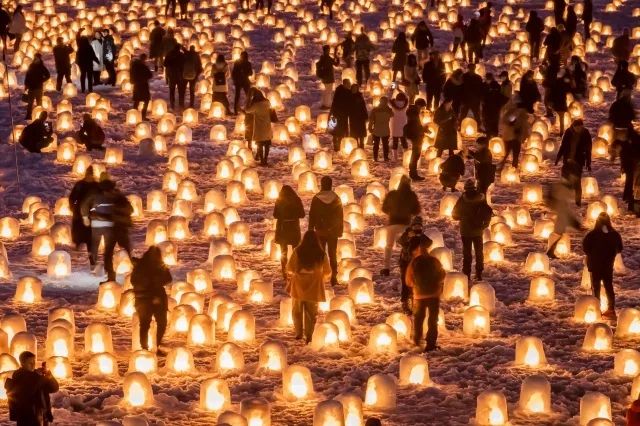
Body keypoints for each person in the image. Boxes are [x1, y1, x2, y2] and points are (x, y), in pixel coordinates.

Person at [82, 174, 133, 281]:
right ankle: (111, 277)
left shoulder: (119, 199)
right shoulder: (109, 199)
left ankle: (138, 272)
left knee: (127, 253)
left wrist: (100, 215)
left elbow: (124, 212)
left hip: (120, 229)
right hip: (112, 230)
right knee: (108, 255)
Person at [286, 231, 331, 343]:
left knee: (296, 310)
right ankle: (309, 335)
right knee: (311, 312)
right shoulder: (321, 254)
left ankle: (298, 333)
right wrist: (320, 276)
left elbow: (290, 267)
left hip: (298, 286)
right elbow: (327, 271)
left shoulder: (298, 251)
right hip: (314, 287)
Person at [406, 235, 445, 352]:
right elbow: (442, 275)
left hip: (419, 296)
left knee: (418, 319)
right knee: (433, 320)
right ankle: (431, 343)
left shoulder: (414, 262)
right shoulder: (435, 261)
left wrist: (416, 286)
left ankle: (417, 341)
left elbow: (408, 281)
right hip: (434, 295)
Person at [131, 246, 172, 353]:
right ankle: (145, 348)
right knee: (147, 323)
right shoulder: (141, 267)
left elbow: (168, 279)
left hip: (152, 298)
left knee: (158, 323)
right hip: (146, 299)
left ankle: (154, 346)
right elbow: (135, 281)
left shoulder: (158, 266)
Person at [583, 212, 622, 319]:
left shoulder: (592, 235)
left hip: (595, 265)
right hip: (608, 265)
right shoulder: (614, 234)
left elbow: (585, 248)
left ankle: (597, 309)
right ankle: (611, 309)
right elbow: (620, 248)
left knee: (596, 287)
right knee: (609, 286)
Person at [452, 179, 492, 281]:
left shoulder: (462, 199)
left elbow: (454, 215)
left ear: (465, 188)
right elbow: (487, 211)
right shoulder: (481, 198)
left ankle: (467, 274)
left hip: (466, 231)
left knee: (467, 253)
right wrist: (484, 224)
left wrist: (462, 217)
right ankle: (479, 273)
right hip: (478, 230)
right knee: (479, 252)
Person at [381, 175, 421, 276]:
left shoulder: (392, 194)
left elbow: (384, 208)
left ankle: (386, 268)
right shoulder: (412, 196)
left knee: (388, 246)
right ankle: (409, 268)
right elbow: (417, 210)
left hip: (392, 224)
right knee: (407, 247)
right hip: (406, 225)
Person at [5, 351, 59, 426]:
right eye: (30, 363)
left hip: (41, 415)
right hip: (26, 418)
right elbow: (30, 390)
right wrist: (40, 377)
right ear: (22, 364)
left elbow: (54, 388)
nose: (33, 365)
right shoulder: (19, 376)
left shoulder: (36, 376)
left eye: (34, 362)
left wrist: (49, 376)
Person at [308, 176, 343, 286]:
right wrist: (339, 230)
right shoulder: (336, 198)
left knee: (320, 254)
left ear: (322, 184)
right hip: (332, 232)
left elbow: (312, 214)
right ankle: (334, 276)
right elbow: (340, 216)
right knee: (332, 254)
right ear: (331, 185)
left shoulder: (316, 198)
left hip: (320, 231)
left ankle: (320, 275)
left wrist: (310, 229)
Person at [546, 172, 582, 259]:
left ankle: (551, 251)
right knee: (559, 232)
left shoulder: (564, 188)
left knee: (560, 232)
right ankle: (550, 251)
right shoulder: (562, 189)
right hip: (561, 212)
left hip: (562, 212)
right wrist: (575, 224)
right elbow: (562, 208)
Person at [555, 119, 592, 205]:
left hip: (578, 161)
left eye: (581, 127)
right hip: (567, 160)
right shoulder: (568, 132)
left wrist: (588, 162)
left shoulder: (585, 134)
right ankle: (563, 199)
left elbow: (588, 149)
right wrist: (558, 157)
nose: (579, 129)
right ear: (573, 127)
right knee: (565, 180)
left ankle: (578, 201)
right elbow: (563, 145)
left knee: (577, 182)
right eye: (577, 127)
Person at [273, 185, 305, 277]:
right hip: (294, 228)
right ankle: (296, 269)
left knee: (283, 251)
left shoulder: (280, 201)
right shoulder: (296, 200)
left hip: (283, 229)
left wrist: (284, 216)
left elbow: (275, 215)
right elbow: (302, 214)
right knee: (295, 250)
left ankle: (284, 270)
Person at [69, 166, 99, 261]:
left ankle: (92, 260)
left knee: (91, 239)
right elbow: (72, 198)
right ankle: (76, 253)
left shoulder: (96, 186)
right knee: (79, 236)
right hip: (79, 215)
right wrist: (73, 207)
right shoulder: (80, 185)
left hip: (91, 216)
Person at [397, 216, 424, 313]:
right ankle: (405, 302)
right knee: (405, 283)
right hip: (405, 262)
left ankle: (414, 302)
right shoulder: (407, 234)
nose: (417, 228)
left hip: (416, 263)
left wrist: (420, 237)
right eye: (415, 226)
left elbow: (429, 242)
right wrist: (408, 236)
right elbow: (400, 241)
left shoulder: (421, 235)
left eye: (419, 226)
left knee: (415, 283)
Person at [611, 127, 640, 211]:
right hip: (628, 163)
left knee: (634, 180)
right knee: (630, 180)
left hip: (635, 161)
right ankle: (630, 198)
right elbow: (615, 146)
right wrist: (613, 155)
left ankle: (631, 198)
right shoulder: (622, 141)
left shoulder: (634, 138)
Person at [499, 97, 530, 168]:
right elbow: (507, 122)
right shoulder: (515, 113)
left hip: (513, 137)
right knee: (512, 153)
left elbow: (524, 125)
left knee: (511, 153)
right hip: (512, 136)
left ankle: (511, 166)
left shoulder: (513, 112)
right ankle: (511, 166)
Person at [245, 89, 273, 166]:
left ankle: (262, 160)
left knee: (260, 144)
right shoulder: (267, 102)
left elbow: (247, 110)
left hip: (259, 127)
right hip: (267, 126)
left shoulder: (256, 105)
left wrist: (248, 100)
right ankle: (266, 159)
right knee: (267, 144)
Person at [23, 54, 50, 120]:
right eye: (35, 58)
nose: (36, 59)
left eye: (37, 58)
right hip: (31, 88)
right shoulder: (31, 66)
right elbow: (27, 76)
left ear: (40, 59)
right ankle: (28, 115)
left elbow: (48, 75)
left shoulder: (42, 67)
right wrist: (26, 84)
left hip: (38, 88)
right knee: (30, 103)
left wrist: (41, 80)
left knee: (39, 103)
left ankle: (39, 116)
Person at [328, 79, 352, 151]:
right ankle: (336, 145)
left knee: (341, 131)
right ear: (344, 84)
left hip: (343, 114)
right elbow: (335, 103)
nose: (349, 85)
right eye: (348, 84)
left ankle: (339, 144)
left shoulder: (346, 91)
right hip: (338, 114)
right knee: (337, 131)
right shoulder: (340, 91)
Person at [404, 105, 426, 181]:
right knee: (415, 156)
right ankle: (413, 173)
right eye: (421, 107)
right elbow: (416, 128)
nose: (422, 109)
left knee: (416, 156)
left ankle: (413, 172)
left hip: (417, 138)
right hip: (417, 138)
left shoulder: (413, 116)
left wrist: (424, 129)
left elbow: (418, 127)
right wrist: (422, 130)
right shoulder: (414, 116)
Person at [369, 96, 393, 161]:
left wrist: (370, 127)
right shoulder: (388, 110)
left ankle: (376, 157)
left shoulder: (375, 110)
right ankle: (385, 157)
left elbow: (371, 120)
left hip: (377, 129)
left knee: (376, 145)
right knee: (385, 145)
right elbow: (392, 115)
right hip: (385, 129)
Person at [459, 63, 484, 128]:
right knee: (463, 114)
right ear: (468, 68)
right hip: (466, 99)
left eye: (473, 68)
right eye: (471, 68)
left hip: (474, 100)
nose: (472, 69)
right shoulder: (464, 77)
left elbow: (481, 89)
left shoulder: (478, 78)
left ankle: (478, 126)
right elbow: (461, 88)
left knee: (476, 114)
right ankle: (460, 126)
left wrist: (480, 98)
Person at [549, 68, 572, 134]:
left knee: (559, 116)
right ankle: (561, 131)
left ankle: (561, 131)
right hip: (561, 102)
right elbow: (568, 90)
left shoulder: (555, 83)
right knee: (561, 117)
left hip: (557, 102)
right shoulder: (563, 83)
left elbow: (552, 93)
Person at [316, 45, 338, 110]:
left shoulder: (323, 58)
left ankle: (326, 104)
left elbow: (335, 64)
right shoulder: (327, 58)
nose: (329, 51)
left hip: (325, 77)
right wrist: (336, 58)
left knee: (327, 91)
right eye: (328, 50)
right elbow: (336, 64)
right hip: (328, 77)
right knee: (328, 92)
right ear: (326, 50)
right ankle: (326, 104)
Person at [130, 54, 152, 120]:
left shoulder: (134, 66)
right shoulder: (143, 66)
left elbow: (131, 76)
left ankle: (134, 115)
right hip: (143, 86)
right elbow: (150, 75)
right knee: (146, 100)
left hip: (137, 85)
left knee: (137, 100)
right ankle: (143, 115)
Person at [164, 44, 185, 110]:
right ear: (179, 49)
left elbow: (165, 64)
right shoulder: (181, 55)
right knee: (180, 90)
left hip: (171, 75)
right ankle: (181, 104)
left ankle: (172, 104)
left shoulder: (169, 54)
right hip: (179, 75)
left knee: (172, 90)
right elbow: (184, 64)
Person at [231, 51, 253, 115]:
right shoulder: (247, 63)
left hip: (241, 81)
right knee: (246, 96)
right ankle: (248, 109)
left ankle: (238, 110)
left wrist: (235, 79)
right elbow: (250, 73)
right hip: (243, 81)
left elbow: (233, 73)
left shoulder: (238, 63)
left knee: (240, 96)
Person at [390, 92, 409, 161]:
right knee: (404, 141)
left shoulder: (393, 104)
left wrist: (392, 90)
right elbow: (407, 97)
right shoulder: (405, 104)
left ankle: (395, 158)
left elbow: (388, 97)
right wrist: (400, 90)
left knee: (395, 142)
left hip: (395, 125)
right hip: (403, 125)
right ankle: (406, 156)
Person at [482, 73, 503, 137]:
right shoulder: (484, 85)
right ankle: (488, 134)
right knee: (487, 121)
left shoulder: (496, 86)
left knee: (494, 121)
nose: (488, 80)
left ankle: (494, 134)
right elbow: (481, 94)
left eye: (489, 78)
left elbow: (499, 96)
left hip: (494, 106)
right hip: (486, 106)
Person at [348, 84, 368, 149]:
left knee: (361, 134)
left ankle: (362, 147)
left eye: (356, 88)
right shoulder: (349, 96)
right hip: (353, 118)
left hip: (360, 117)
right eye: (353, 88)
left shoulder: (360, 96)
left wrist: (365, 115)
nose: (354, 90)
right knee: (354, 134)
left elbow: (363, 106)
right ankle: (356, 146)